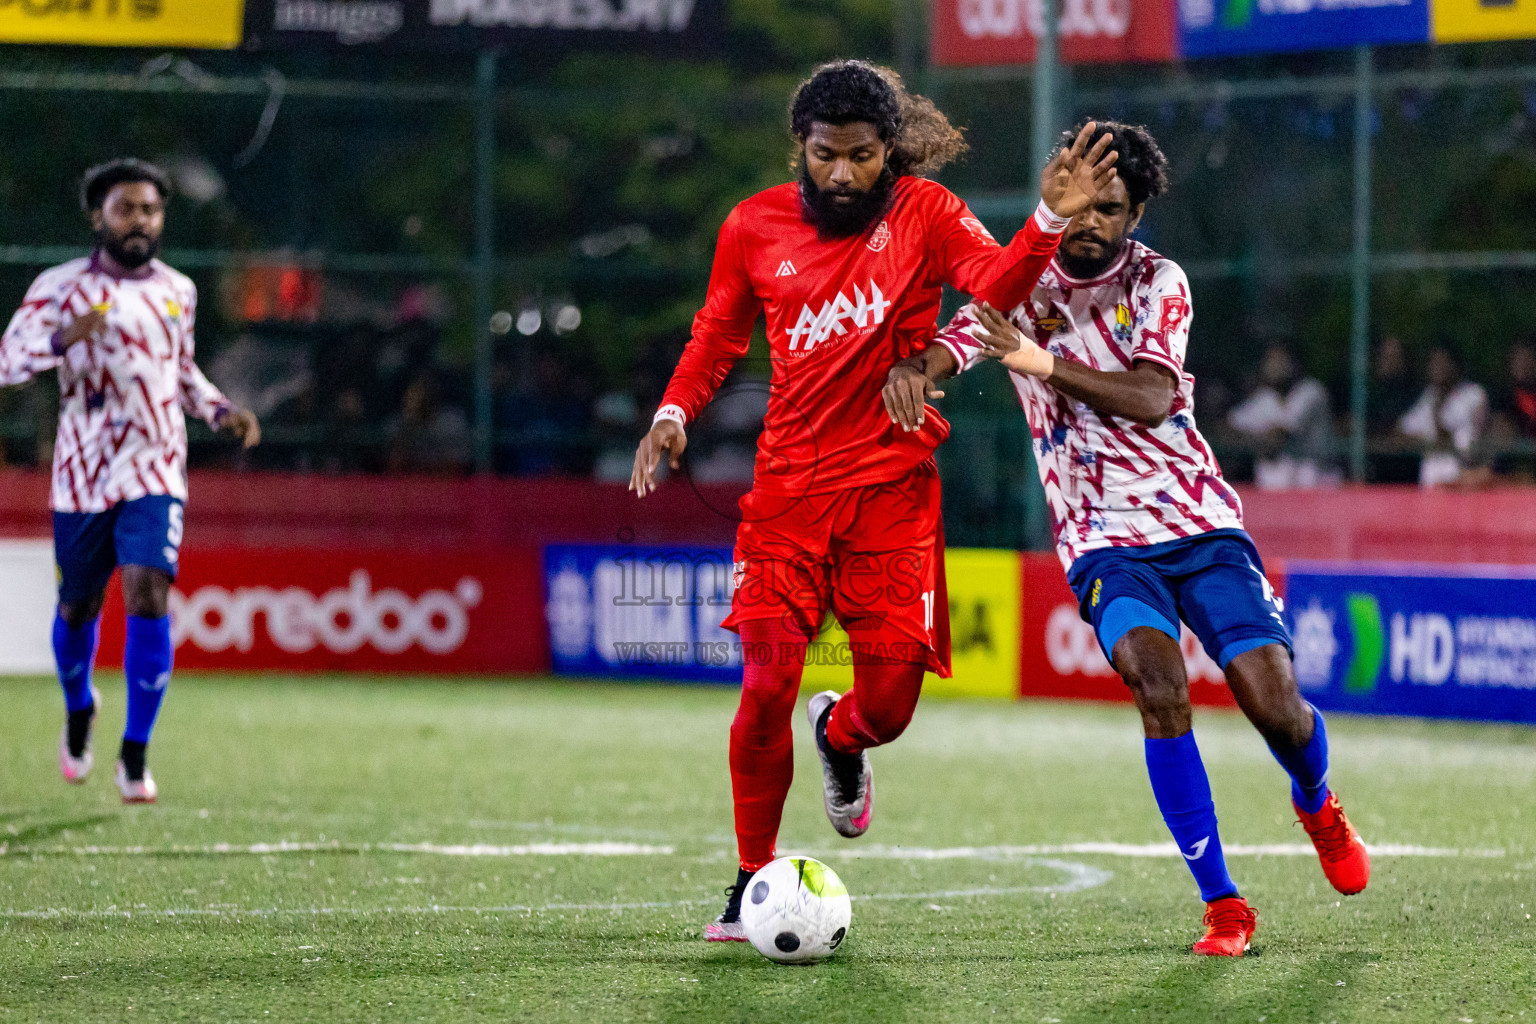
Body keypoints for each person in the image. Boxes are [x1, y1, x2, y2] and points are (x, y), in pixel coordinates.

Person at [628, 61, 1118, 942]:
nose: (843, 174)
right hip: (785, 501)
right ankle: (748, 881)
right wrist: (673, 413)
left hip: (892, 500)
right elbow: (716, 334)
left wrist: (1046, 220)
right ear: (800, 151)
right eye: (825, 156)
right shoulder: (751, 226)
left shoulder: (924, 213)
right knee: (768, 682)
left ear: (888, 150)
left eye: (860, 155)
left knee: (888, 708)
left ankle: (843, 740)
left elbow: (995, 285)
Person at [894, 121, 1369, 957]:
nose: (1088, 221)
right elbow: (956, 343)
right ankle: (1224, 904)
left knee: (1276, 708)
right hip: (1101, 540)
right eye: (1076, 203)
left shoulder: (1159, 280)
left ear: (1136, 211)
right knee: (1159, 689)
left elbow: (1152, 398)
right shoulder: (1020, 284)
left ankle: (1318, 802)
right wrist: (911, 370)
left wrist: (1035, 364)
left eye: (1109, 208)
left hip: (1200, 526)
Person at [0, 159, 260, 803]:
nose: (139, 220)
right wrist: (65, 337)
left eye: (149, 210)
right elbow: (7, 362)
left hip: (155, 467)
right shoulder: (59, 287)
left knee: (149, 593)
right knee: (78, 608)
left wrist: (221, 409)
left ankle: (136, 751)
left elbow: (182, 371)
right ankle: (79, 706)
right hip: (83, 474)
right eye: (125, 209)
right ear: (99, 217)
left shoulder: (179, 290)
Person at [1225, 342, 1339, 488]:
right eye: (1271, 360)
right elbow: (1228, 428)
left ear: (1295, 364)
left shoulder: (1311, 391)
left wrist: (1252, 436)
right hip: (1281, 485)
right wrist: (1259, 437)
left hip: (1318, 481)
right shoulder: (1265, 397)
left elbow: (1279, 437)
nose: (1274, 366)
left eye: (1281, 360)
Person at [1397, 345, 1488, 488]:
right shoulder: (1429, 396)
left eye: (1442, 362)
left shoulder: (1473, 394)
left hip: (1461, 478)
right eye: (1434, 363)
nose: (1438, 367)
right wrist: (1425, 440)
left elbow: (1469, 443)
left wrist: (1437, 425)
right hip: (1430, 479)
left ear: (1455, 365)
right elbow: (1402, 431)